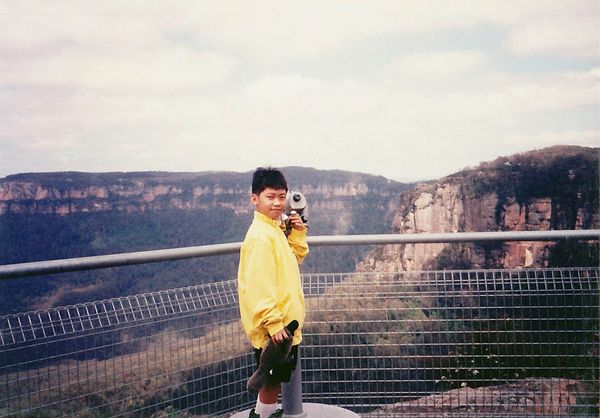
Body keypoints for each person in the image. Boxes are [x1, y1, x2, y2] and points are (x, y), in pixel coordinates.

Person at [238, 167, 309, 418]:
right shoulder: (261, 237)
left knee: (275, 379)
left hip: (283, 326)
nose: (278, 203)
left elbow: (296, 257)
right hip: (275, 329)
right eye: (270, 196)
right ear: (254, 199)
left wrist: (297, 231)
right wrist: (273, 321)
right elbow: (259, 283)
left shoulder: (274, 230)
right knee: (270, 380)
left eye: (282, 196)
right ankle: (261, 417)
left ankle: (263, 413)